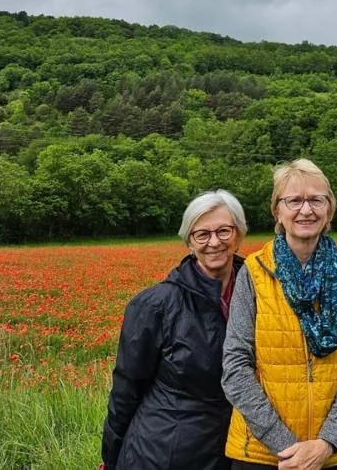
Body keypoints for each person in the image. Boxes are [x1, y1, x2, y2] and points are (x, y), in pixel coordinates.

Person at [222, 159, 337, 470]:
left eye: (317, 200)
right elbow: (235, 366)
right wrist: (287, 447)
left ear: (329, 209)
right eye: (295, 200)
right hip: (264, 455)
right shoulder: (255, 271)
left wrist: (326, 442)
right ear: (278, 210)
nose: (307, 210)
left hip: (336, 454)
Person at [100, 190, 247, 470]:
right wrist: (111, 455)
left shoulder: (262, 293)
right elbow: (126, 389)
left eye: (224, 231)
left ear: (238, 235)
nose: (214, 242)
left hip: (234, 451)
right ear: (189, 243)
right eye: (201, 234)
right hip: (163, 453)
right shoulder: (156, 305)